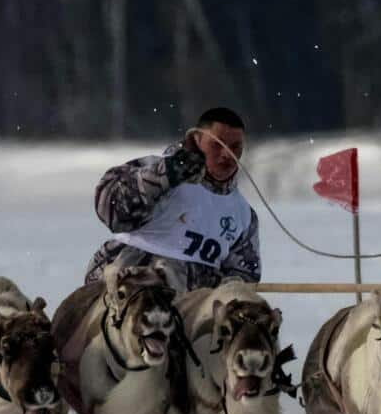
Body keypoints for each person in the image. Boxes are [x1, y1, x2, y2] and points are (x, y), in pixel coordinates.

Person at [84, 107, 261, 291]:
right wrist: (167, 174)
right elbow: (110, 208)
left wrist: (234, 287)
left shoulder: (243, 215)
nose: (226, 154)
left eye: (235, 147)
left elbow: (244, 275)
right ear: (197, 140)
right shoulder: (155, 168)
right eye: (218, 145)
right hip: (126, 291)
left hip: (188, 309)